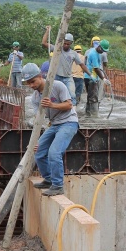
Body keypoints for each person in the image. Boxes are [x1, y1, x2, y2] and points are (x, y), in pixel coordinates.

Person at [22, 63, 78, 197]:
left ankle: (58, 185)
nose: (31, 85)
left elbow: (69, 105)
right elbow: (38, 119)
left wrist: (52, 105)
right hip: (54, 125)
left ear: (40, 76)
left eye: (33, 81)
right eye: (28, 83)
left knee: (54, 152)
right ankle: (49, 179)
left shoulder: (57, 85)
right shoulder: (35, 98)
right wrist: (36, 141)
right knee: (39, 152)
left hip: (69, 122)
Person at [42, 26, 87, 106]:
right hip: (57, 76)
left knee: (72, 96)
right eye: (64, 43)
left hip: (68, 77)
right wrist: (47, 31)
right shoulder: (57, 49)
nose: (66, 45)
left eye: (68, 44)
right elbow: (44, 43)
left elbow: (82, 64)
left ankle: (73, 111)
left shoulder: (73, 53)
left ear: (71, 44)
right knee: (54, 95)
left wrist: (89, 74)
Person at [84, 39, 111, 117]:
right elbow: (96, 69)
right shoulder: (93, 54)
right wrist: (104, 79)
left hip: (91, 77)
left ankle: (88, 114)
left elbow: (101, 66)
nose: (102, 51)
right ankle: (95, 115)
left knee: (90, 96)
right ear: (99, 47)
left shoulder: (97, 52)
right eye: (102, 49)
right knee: (94, 97)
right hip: (91, 78)